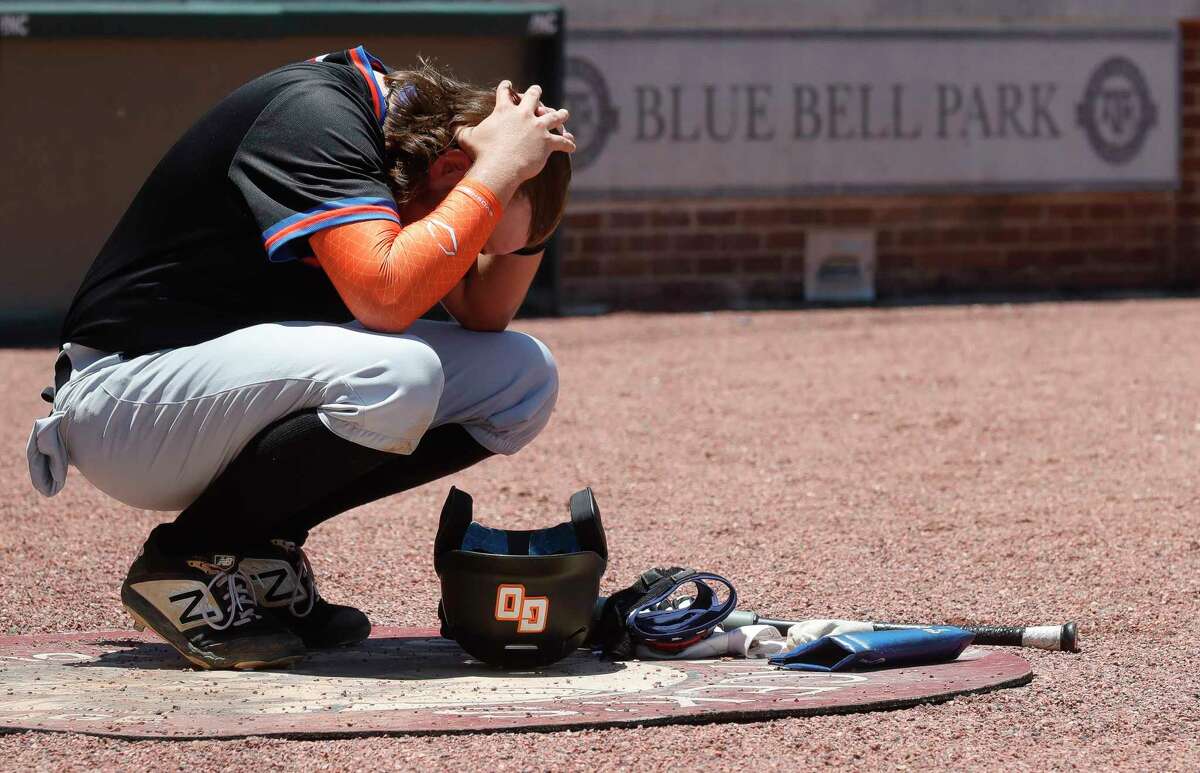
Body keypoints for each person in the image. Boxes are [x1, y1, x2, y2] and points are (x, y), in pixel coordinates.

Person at [25, 45, 575, 670]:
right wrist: (496, 174)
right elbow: (386, 294)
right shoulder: (316, 116)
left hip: (222, 397)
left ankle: (262, 549)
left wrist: (533, 183)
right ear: (452, 167)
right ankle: (188, 558)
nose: (475, 246)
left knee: (523, 379)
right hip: (126, 401)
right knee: (396, 375)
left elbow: (484, 315)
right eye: (477, 206)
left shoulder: (410, 149)